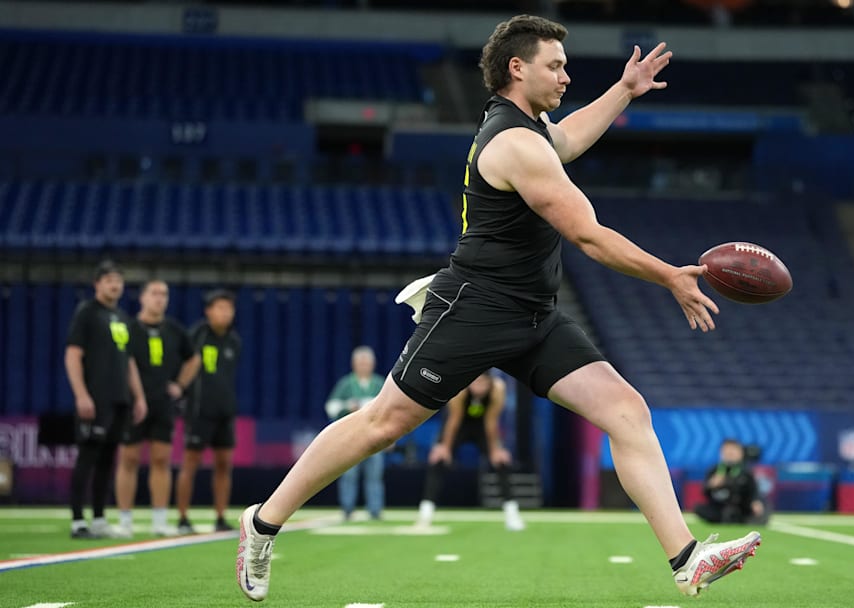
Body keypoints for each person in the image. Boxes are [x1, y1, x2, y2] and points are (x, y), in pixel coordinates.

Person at [235, 15, 759, 602]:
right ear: (517, 68)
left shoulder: (531, 130)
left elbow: (569, 139)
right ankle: (261, 524)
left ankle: (686, 560)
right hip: (475, 308)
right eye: (555, 65)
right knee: (383, 424)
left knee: (626, 409)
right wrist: (669, 275)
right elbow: (586, 235)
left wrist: (624, 90)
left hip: (533, 315)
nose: (566, 75)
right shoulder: (512, 143)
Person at [63, 260, 147, 539]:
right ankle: (78, 520)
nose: (115, 285)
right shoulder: (87, 312)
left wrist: (139, 397)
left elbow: (129, 361)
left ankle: (99, 518)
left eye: (119, 280)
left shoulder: (123, 318)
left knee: (108, 460)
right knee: (87, 456)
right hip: (95, 398)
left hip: (119, 400)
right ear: (97, 284)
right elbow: (73, 354)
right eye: (109, 280)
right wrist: (81, 394)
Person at [115, 280, 200, 537]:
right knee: (128, 458)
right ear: (142, 298)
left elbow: (193, 358)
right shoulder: (129, 329)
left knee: (161, 459)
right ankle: (125, 520)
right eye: (154, 293)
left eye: (164, 294)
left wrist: (180, 385)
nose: (160, 299)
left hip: (163, 403)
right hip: (133, 403)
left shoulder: (174, 330)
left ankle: (160, 520)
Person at [417, 370, 525, 531]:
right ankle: (426, 513)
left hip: (482, 427)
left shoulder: (498, 389)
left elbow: (491, 421)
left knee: (501, 462)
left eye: (483, 383)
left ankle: (512, 513)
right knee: (438, 460)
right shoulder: (461, 389)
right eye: (476, 382)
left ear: (489, 382)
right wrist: (445, 447)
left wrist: (496, 449)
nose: (479, 387)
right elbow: (454, 419)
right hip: (458, 426)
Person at [177, 289, 241, 534]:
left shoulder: (234, 341)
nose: (226, 313)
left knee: (224, 464)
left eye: (229, 308)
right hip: (199, 410)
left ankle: (221, 516)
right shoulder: (197, 336)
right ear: (208, 311)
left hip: (225, 410)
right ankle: (183, 517)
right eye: (220, 307)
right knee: (190, 462)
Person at [325, 346, 386, 521]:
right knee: (348, 474)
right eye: (361, 363)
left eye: (367, 363)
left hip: (375, 437)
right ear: (354, 364)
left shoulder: (380, 384)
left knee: (374, 475)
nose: (364, 366)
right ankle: (347, 508)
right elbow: (331, 406)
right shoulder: (346, 384)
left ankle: (375, 510)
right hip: (350, 437)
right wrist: (347, 407)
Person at [694, 439, 765, 525]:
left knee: (758, 510)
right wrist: (711, 485)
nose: (730, 454)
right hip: (719, 507)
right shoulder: (714, 470)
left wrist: (755, 501)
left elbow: (753, 490)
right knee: (700, 509)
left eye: (733, 451)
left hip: (740, 507)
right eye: (727, 451)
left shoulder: (745, 471)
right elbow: (705, 492)